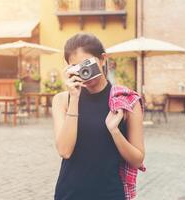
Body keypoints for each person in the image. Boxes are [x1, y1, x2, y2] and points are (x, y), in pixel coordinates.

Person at [52, 33, 145, 200]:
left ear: (103, 59)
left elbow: (138, 160)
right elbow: (65, 151)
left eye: (87, 64)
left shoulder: (126, 101)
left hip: (110, 194)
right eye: (76, 66)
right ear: (69, 68)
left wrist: (115, 132)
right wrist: (74, 97)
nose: (84, 71)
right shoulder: (62, 101)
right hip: (70, 194)